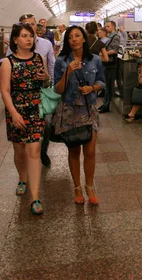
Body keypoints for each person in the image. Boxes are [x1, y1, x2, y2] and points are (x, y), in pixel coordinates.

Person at [0, 23, 49, 215]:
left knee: (34, 151)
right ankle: (22, 178)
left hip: (35, 109)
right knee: (19, 150)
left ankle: (35, 197)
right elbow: (4, 91)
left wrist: (45, 77)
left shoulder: (40, 59)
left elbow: (46, 83)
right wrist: (13, 112)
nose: (29, 39)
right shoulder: (8, 62)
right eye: (24, 36)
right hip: (16, 110)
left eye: (31, 36)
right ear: (15, 40)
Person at [54, 26, 105, 205]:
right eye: (70, 37)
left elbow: (101, 82)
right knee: (74, 149)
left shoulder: (95, 60)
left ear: (84, 38)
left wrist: (92, 88)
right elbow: (58, 89)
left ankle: (89, 186)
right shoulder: (61, 61)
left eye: (77, 36)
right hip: (70, 109)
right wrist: (67, 72)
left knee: (90, 151)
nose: (74, 39)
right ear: (67, 41)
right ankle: (77, 187)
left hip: (89, 108)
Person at [7, 13, 55, 167]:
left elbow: (51, 66)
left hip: (41, 95)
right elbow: (8, 67)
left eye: (33, 24)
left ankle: (43, 151)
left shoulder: (46, 44)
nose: (31, 27)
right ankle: (25, 170)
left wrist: (49, 82)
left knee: (46, 125)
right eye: (27, 24)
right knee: (21, 138)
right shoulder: (13, 48)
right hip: (20, 98)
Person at [99, 20, 120, 113]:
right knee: (107, 85)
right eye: (106, 26)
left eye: (108, 26)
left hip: (111, 64)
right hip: (108, 63)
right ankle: (105, 104)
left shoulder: (116, 37)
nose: (106, 28)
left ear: (113, 26)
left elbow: (114, 50)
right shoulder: (110, 37)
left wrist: (103, 53)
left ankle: (106, 105)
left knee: (109, 86)